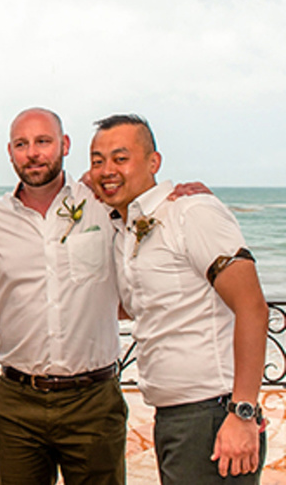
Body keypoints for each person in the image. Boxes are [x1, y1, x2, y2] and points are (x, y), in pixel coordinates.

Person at [88, 114, 268, 484]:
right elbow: (137, 306)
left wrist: (243, 413)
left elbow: (252, 307)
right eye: (97, 160)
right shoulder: (126, 231)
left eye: (121, 158)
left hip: (214, 415)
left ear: (154, 162)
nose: (107, 170)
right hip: (174, 418)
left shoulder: (191, 212)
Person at [0, 108, 127, 484]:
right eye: (22, 144)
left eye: (43, 141)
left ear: (65, 145)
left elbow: (152, 211)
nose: (33, 153)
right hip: (17, 402)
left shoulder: (102, 204)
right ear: (10, 152)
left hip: (93, 401)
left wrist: (182, 193)